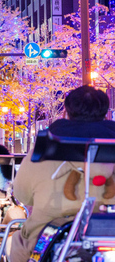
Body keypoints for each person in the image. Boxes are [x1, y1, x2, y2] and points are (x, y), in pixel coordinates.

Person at [10, 86, 115, 261]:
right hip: (109, 230)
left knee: (19, 241)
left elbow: (23, 195)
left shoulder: (44, 147)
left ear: (66, 112)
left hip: (47, 232)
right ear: (106, 113)